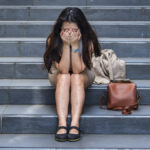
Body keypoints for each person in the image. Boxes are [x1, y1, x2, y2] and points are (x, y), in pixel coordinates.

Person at [43, 7, 101, 142]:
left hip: (83, 72)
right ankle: (62, 124)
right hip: (58, 73)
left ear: (81, 29)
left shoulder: (89, 40)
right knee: (64, 77)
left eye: (74, 30)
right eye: (66, 30)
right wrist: (65, 45)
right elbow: (63, 69)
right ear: (60, 29)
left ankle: (75, 124)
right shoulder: (53, 39)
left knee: (75, 77)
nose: (70, 33)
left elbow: (77, 70)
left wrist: (74, 44)